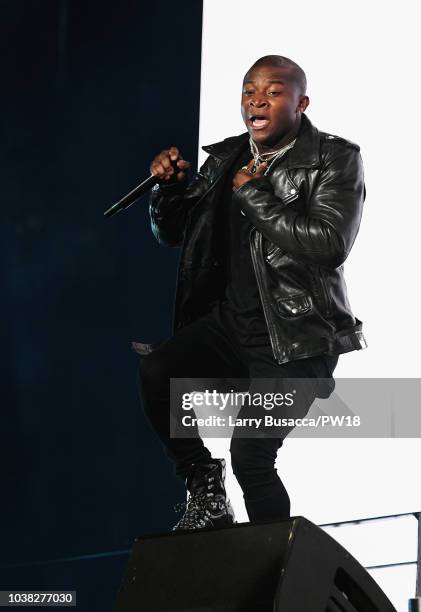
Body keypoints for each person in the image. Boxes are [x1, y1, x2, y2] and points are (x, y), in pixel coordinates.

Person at [135, 55, 367, 531]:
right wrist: (170, 190)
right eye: (248, 90)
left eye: (273, 90)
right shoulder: (225, 158)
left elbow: (329, 243)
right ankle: (202, 481)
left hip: (296, 339)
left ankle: (274, 571)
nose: (257, 100)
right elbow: (173, 233)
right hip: (230, 326)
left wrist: (255, 195)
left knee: (252, 456)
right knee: (158, 370)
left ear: (301, 103)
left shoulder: (334, 157)